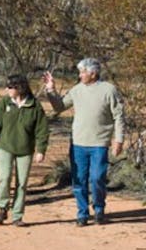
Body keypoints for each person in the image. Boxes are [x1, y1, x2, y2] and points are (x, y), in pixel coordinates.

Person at [42, 58, 124, 226]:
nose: (80, 75)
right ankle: (82, 213)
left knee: (97, 178)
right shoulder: (77, 90)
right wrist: (51, 90)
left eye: (82, 72)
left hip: (99, 143)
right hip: (78, 142)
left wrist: (119, 140)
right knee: (78, 180)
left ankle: (99, 208)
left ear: (93, 74)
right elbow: (59, 107)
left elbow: (119, 116)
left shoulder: (109, 90)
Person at [0, 74, 49, 227]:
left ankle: (17, 215)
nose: (7, 89)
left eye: (10, 87)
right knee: (4, 178)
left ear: (20, 88)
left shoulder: (34, 106)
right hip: (6, 147)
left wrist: (41, 149)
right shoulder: (5, 102)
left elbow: (42, 129)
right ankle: (2, 208)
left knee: (22, 184)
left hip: (25, 149)